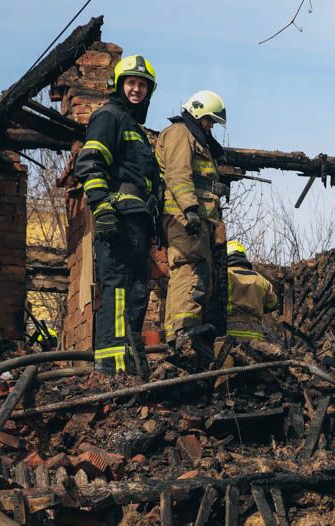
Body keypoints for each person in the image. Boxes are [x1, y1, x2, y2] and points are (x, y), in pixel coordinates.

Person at [73, 54, 160, 376]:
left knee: (137, 292)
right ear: (119, 85)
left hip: (137, 220)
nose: (136, 89)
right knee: (120, 290)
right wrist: (102, 207)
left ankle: (132, 365)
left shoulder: (133, 127)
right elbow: (89, 162)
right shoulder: (108, 116)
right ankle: (112, 369)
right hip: (119, 218)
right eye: (131, 83)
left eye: (142, 85)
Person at [156, 89, 227, 368]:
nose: (210, 126)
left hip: (198, 220)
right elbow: (177, 174)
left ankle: (183, 331)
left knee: (197, 272)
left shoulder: (195, 136)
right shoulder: (179, 133)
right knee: (189, 269)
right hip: (185, 218)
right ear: (198, 112)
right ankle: (183, 330)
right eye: (209, 119)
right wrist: (190, 209)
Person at [223, 240, 279, 342]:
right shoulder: (261, 280)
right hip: (255, 338)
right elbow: (273, 304)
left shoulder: (225, 276)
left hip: (230, 337)